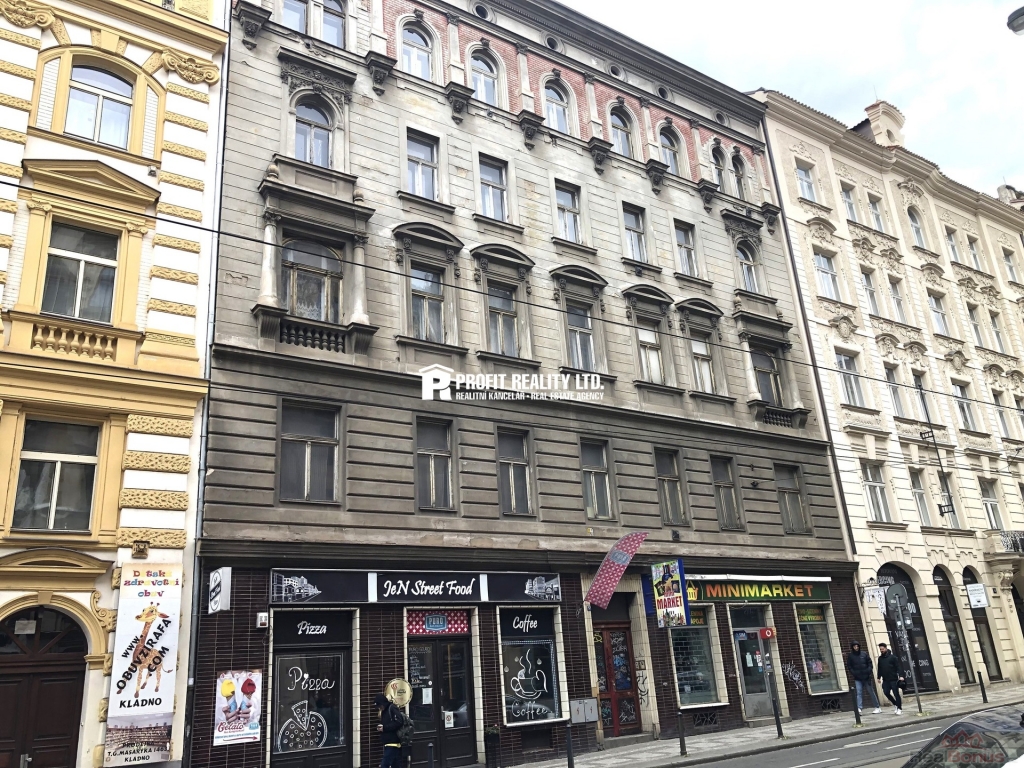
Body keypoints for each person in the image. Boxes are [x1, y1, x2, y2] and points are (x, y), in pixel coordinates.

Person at [845, 642, 881, 714]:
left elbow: (870, 663)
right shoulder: (851, 656)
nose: (856, 648)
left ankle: (877, 707)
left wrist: (868, 671)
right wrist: (854, 673)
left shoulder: (864, 654)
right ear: (852, 647)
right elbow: (849, 666)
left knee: (871, 692)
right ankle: (859, 708)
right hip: (857, 678)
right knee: (859, 693)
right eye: (854, 646)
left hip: (866, 677)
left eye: (857, 646)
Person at [375, 694, 403, 768]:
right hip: (388, 742)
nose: (379, 708)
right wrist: (382, 728)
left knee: (384, 765)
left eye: (379, 706)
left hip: (393, 743)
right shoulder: (384, 711)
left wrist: (384, 728)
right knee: (395, 765)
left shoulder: (392, 708)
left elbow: (399, 722)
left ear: (383, 703)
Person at [877, 642, 904, 714]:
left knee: (896, 694)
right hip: (885, 680)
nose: (881, 650)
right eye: (880, 649)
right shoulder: (880, 658)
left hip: (893, 679)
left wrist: (901, 676)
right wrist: (878, 677)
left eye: (882, 649)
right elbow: (879, 668)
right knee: (886, 692)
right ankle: (895, 704)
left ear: (886, 648)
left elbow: (898, 667)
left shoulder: (893, 657)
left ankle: (899, 708)